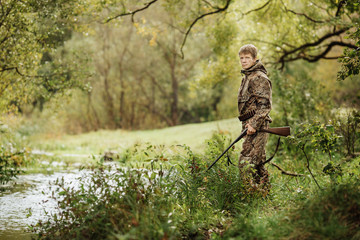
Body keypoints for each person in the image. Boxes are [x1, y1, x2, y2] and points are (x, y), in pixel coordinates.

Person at [237, 44, 272, 188]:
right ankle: (263, 193)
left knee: (247, 162)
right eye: (241, 58)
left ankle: (252, 193)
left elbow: (264, 105)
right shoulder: (248, 76)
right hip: (249, 126)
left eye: (247, 58)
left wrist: (254, 125)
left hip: (257, 127)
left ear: (255, 59)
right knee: (257, 163)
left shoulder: (258, 78)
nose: (244, 61)